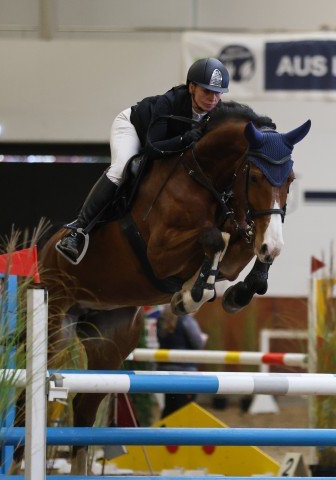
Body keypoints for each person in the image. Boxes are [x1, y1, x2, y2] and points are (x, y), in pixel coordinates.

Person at [56, 57, 230, 263]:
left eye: (217, 93)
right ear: (191, 87)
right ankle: (77, 231)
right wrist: (185, 139)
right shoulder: (170, 102)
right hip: (133, 129)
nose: (212, 98)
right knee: (120, 169)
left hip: (165, 143)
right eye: (206, 91)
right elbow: (153, 147)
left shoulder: (218, 114)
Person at [155, 304, 207, 418]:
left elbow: (160, 339)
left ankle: (162, 432)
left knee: (170, 406)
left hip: (164, 370)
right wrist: (203, 338)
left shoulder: (162, 320)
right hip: (185, 370)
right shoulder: (186, 320)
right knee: (183, 409)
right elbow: (198, 343)